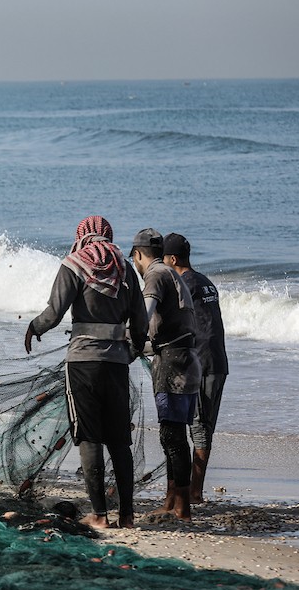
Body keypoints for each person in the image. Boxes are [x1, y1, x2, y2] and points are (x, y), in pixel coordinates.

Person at [25, 216, 147, 530]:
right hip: (117, 365)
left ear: (81, 236)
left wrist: (33, 327)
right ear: (109, 235)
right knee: (120, 441)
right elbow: (141, 325)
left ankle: (100, 515)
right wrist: (129, 353)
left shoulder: (74, 264)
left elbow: (54, 313)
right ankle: (128, 516)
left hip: (82, 363)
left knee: (90, 438)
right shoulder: (126, 269)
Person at [129, 228, 202, 521]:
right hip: (187, 360)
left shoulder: (154, 275)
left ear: (137, 255)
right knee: (174, 435)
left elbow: (143, 318)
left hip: (172, 365)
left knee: (172, 437)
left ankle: (182, 507)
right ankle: (172, 500)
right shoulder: (170, 273)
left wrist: (128, 341)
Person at [163, 233, 228, 504]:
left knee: (196, 427)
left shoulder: (183, 284)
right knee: (204, 426)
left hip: (199, 363)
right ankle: (193, 490)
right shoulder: (205, 281)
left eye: (163, 259)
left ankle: (194, 493)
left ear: (173, 259)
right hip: (218, 362)